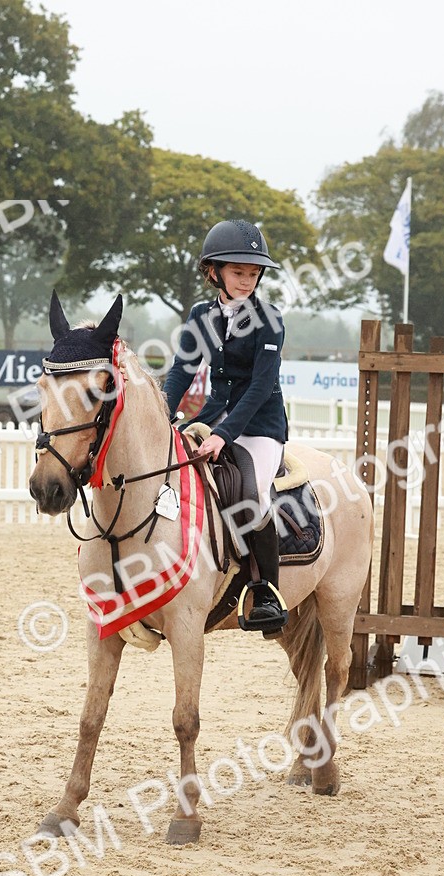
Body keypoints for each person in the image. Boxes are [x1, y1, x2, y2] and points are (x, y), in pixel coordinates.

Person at [163, 218, 288, 633]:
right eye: (239, 272)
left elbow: (260, 386)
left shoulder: (269, 318)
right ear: (213, 271)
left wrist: (222, 434)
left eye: (254, 274)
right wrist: (163, 414)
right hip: (216, 413)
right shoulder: (201, 315)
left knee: (253, 497)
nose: (247, 281)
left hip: (261, 425)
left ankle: (266, 592)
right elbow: (182, 372)